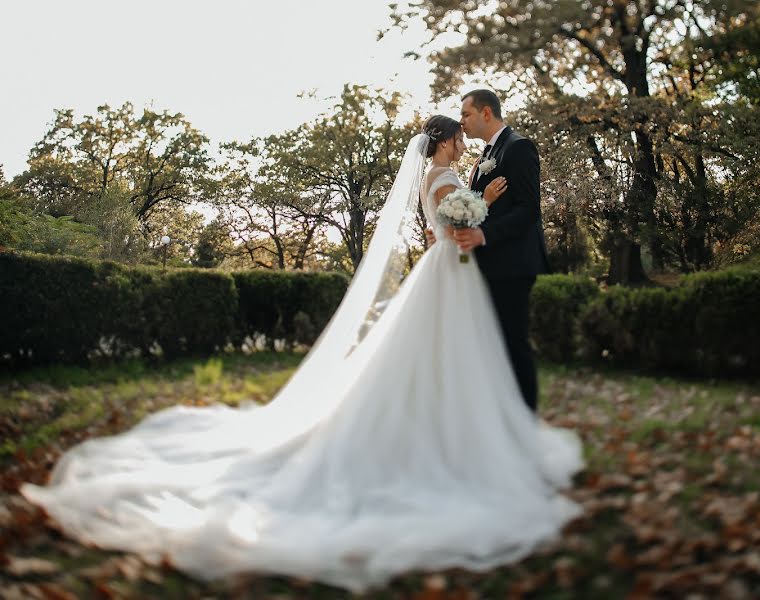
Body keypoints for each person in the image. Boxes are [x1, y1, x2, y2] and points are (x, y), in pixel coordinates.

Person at [21, 117, 582, 594]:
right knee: (433, 359)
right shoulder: (443, 176)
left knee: (451, 360)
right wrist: (480, 203)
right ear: (439, 143)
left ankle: (458, 427)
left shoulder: (440, 171)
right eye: (456, 137)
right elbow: (452, 228)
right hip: (445, 274)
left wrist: (476, 205)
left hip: (450, 279)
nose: (462, 143)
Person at [440, 89, 550, 412]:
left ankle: (525, 420)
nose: (462, 121)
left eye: (466, 114)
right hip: (488, 267)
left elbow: (529, 210)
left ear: (486, 113)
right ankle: (504, 417)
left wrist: (482, 236)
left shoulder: (518, 148)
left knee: (514, 344)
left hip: (513, 265)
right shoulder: (482, 158)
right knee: (494, 347)